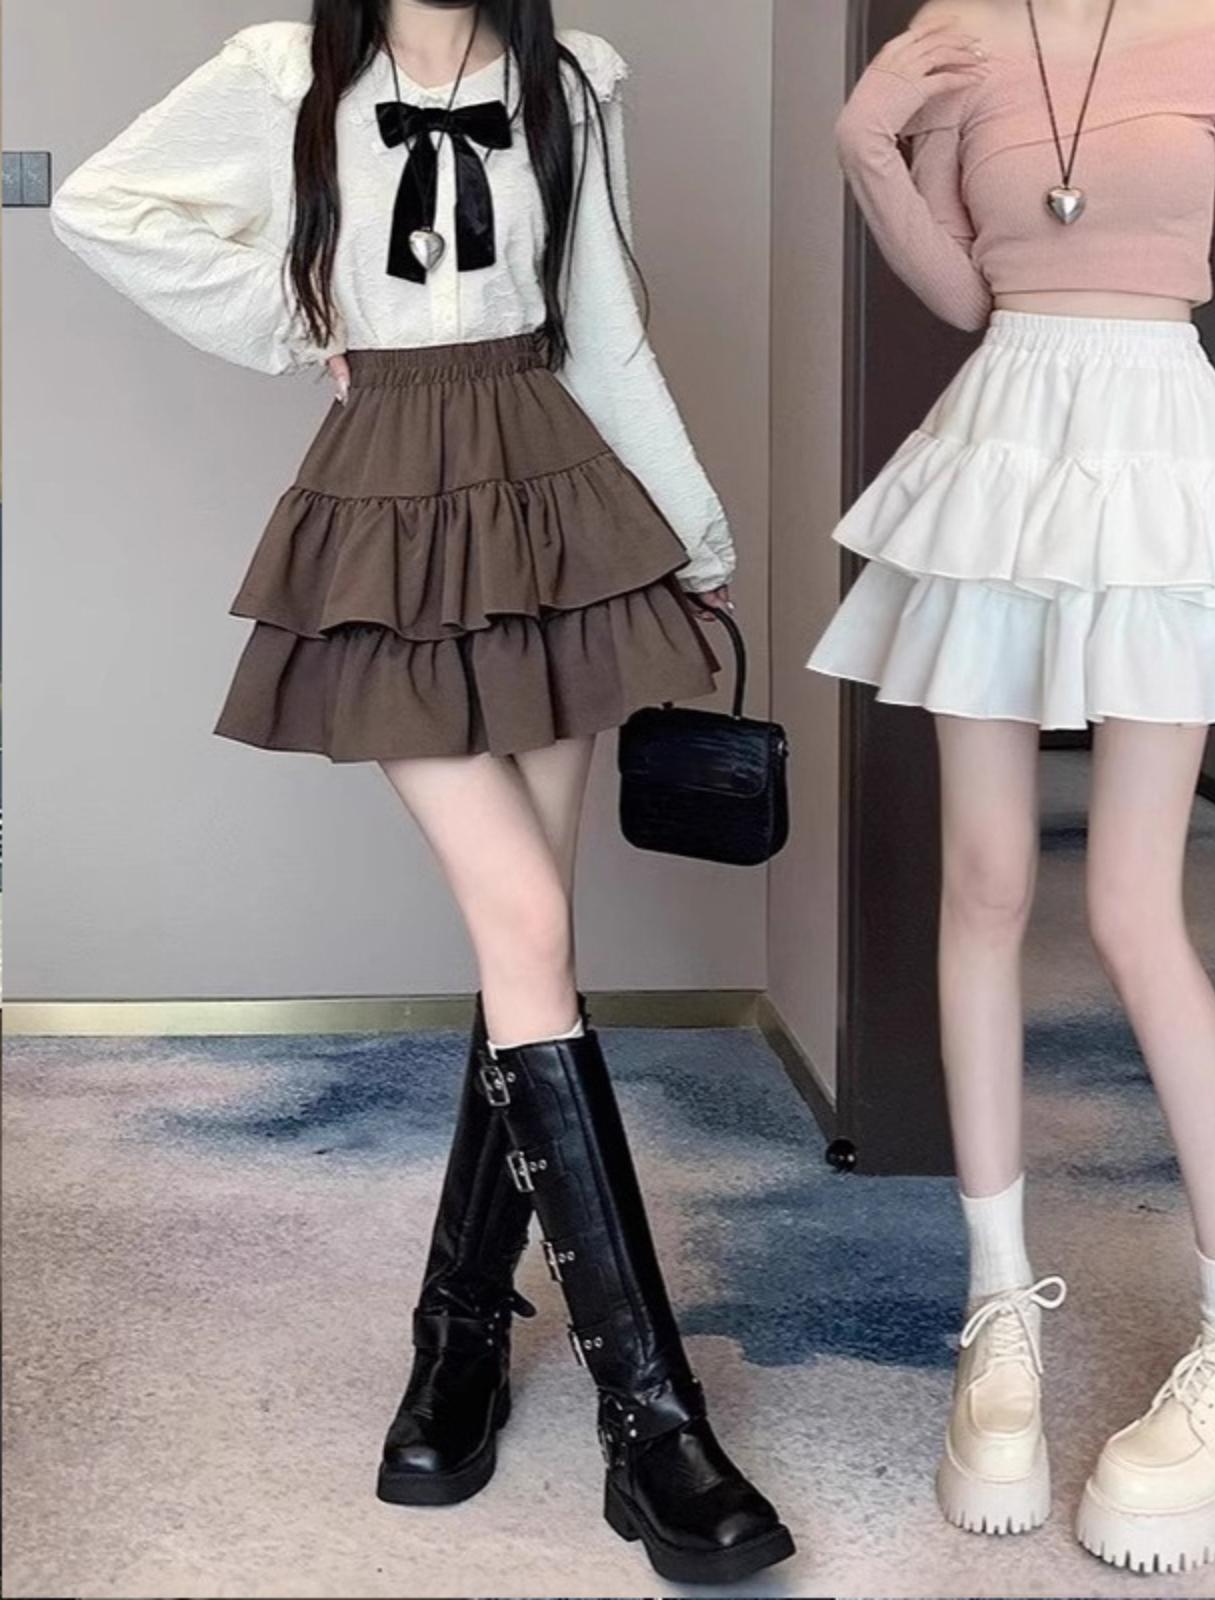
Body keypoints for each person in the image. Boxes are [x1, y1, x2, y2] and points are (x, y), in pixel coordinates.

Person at [50, 0, 793, 1585]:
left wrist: (694, 534)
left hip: (556, 491)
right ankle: (651, 1424)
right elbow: (105, 203)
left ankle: (458, 1334)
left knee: (533, 951)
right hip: (388, 497)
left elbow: (605, 327)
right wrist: (292, 309)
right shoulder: (286, 71)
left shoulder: (575, 78)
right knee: (526, 929)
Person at [811, 0, 1215, 1572]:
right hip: (1005, 439)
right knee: (985, 883)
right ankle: (998, 1322)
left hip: (1162, 447)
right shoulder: (957, 33)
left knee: (1138, 909)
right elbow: (965, 287)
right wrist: (868, 142)